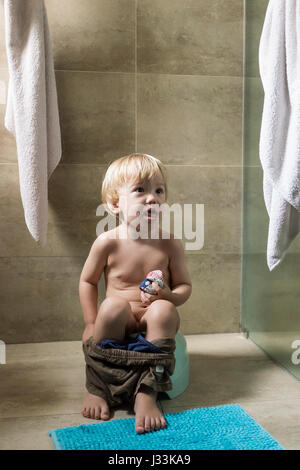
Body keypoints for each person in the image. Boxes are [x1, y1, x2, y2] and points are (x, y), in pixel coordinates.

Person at [79, 153, 192, 434]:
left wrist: (168, 294)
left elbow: (184, 287)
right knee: (112, 307)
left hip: (153, 315)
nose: (152, 198)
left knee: (164, 310)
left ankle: (147, 392)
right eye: (140, 190)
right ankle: (99, 388)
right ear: (115, 203)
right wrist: (90, 322)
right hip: (122, 317)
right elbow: (88, 282)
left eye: (158, 190)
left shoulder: (169, 243)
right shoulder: (107, 242)